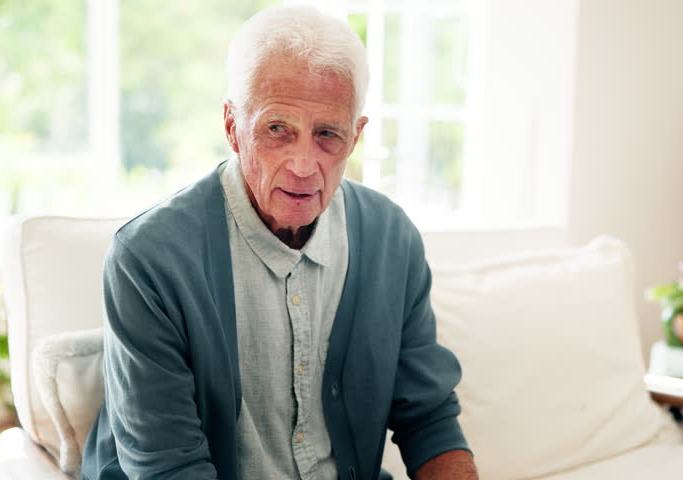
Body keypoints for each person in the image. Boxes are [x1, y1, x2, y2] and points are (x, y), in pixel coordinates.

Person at [82, 5, 476, 480]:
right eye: (277, 130)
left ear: (356, 137)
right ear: (232, 126)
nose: (304, 166)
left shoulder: (392, 238)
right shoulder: (149, 259)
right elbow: (169, 468)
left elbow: (428, 417)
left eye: (327, 134)